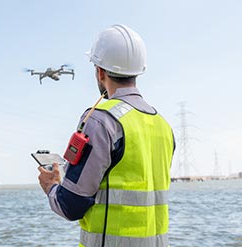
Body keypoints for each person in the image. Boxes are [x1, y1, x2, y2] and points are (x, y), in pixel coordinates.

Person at [38, 24, 175, 247]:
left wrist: (51, 186)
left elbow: (70, 205)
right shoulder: (163, 125)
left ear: (100, 72)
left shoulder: (101, 120)